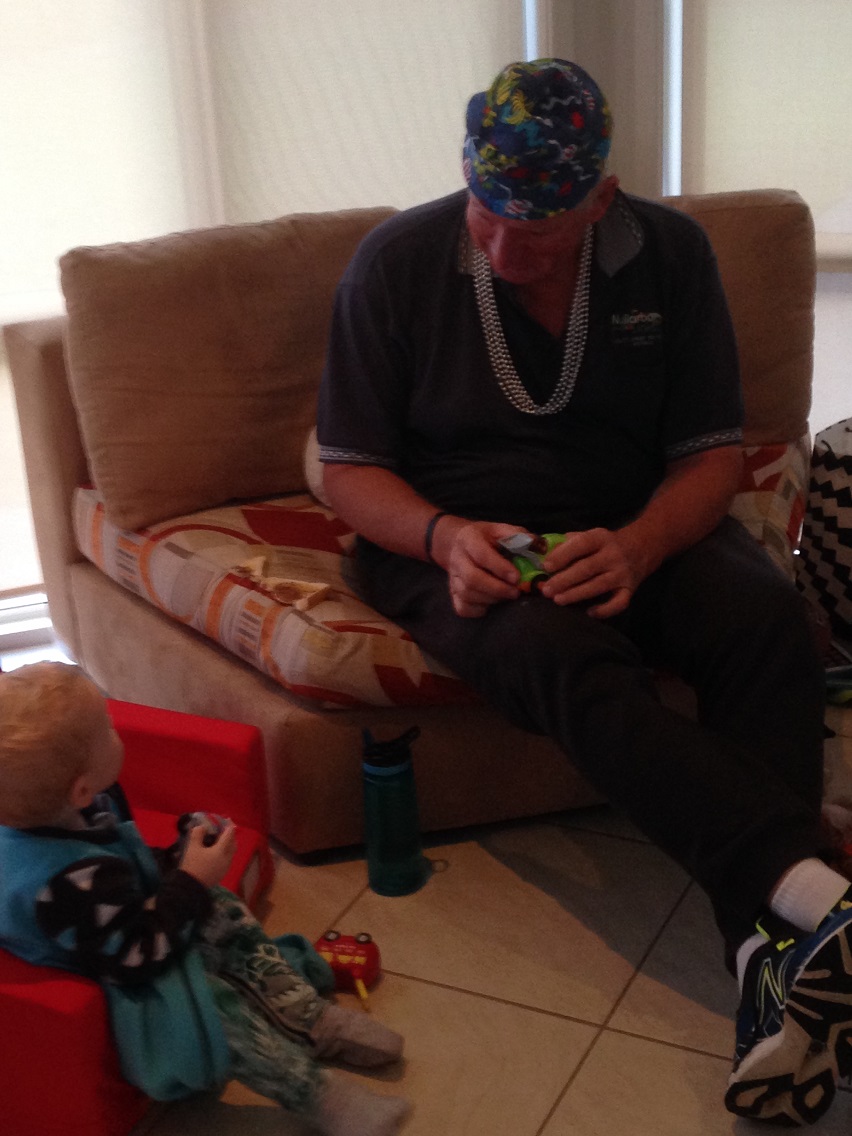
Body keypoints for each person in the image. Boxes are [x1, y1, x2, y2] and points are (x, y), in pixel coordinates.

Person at [316, 57, 852, 1125]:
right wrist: (443, 535)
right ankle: (813, 897)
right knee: (556, 652)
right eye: (487, 214)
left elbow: (709, 457)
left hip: (632, 522)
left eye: (538, 231)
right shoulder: (396, 264)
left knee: (763, 621)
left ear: (601, 199)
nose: (503, 250)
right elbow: (347, 468)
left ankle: (773, 978)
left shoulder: (672, 255)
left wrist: (642, 546)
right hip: (454, 538)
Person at [0, 662, 409, 1136]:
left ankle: (309, 1019)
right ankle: (316, 1094)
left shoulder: (80, 807)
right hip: (123, 977)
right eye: (108, 728)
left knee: (221, 906)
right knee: (213, 1008)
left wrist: (181, 855)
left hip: (131, 932)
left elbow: (127, 871)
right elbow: (137, 957)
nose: (117, 729)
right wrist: (191, 880)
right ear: (80, 788)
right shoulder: (65, 882)